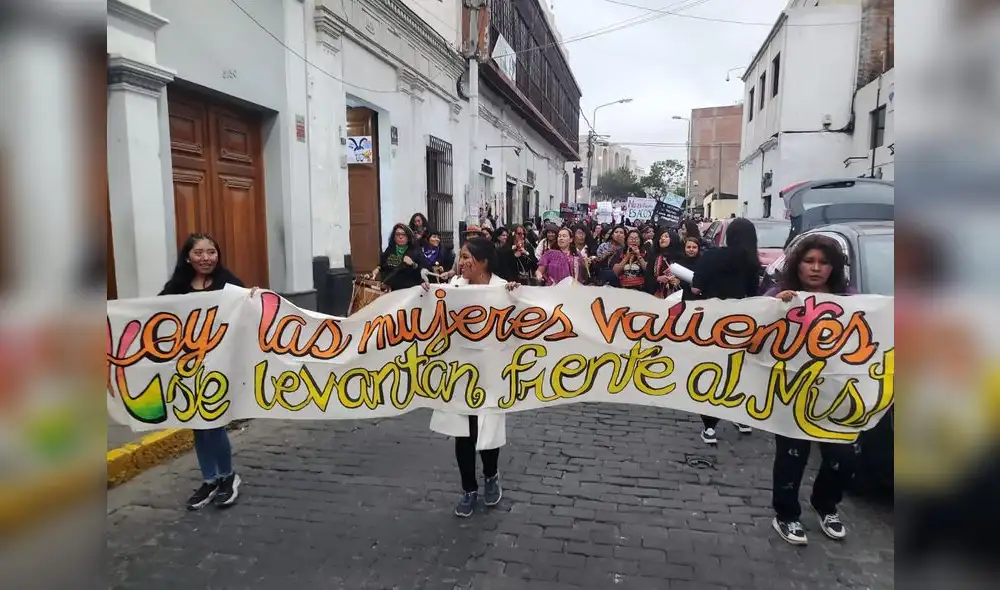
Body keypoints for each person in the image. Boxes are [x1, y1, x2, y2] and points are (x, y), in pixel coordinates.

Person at [765, 235, 855, 545]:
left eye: (824, 262)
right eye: (809, 261)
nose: (816, 268)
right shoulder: (779, 295)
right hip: (791, 392)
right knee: (792, 456)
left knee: (842, 457)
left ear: (834, 267)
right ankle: (786, 514)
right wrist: (775, 308)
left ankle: (825, 504)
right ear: (797, 264)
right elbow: (755, 334)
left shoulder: (851, 299)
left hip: (837, 393)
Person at [422, 237, 519, 517]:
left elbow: (521, 323)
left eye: (467, 257)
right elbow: (432, 313)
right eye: (461, 257)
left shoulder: (503, 289)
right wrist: (426, 294)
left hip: (491, 372)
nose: (461, 262)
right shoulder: (453, 288)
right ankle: (468, 489)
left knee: (487, 428)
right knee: (462, 432)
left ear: (484, 261)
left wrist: (516, 296)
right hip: (460, 373)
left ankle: (491, 476)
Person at [159, 233, 250, 510]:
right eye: (198, 253)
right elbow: (155, 316)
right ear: (188, 257)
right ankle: (209, 480)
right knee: (198, 424)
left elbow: (249, 312)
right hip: (188, 368)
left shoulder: (229, 284)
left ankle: (228, 477)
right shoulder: (176, 287)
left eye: (211, 252)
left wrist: (255, 298)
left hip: (220, 366)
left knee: (213, 421)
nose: (206, 258)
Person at [690, 218, 760, 443]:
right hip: (740, 321)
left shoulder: (711, 256)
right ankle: (741, 417)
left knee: (712, 370)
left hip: (712, 321)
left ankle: (710, 427)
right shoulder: (751, 263)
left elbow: (696, 288)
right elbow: (754, 293)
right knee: (737, 369)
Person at [372, 223, 423, 291]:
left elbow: (423, 271)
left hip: (409, 290)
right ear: (394, 237)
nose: (400, 237)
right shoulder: (390, 249)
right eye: (397, 234)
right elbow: (383, 264)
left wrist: (413, 264)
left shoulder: (415, 251)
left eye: (404, 234)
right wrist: (377, 269)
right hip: (390, 289)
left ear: (409, 237)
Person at [647, 229, 682, 298]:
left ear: (673, 239)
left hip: (676, 295)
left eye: (666, 236)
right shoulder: (654, 257)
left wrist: (678, 281)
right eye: (661, 237)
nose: (662, 238)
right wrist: (658, 279)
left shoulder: (680, 258)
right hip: (656, 294)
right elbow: (647, 276)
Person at [677, 236, 702, 301]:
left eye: (694, 247)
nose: (691, 249)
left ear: (698, 248)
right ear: (684, 248)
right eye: (688, 247)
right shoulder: (679, 263)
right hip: (682, 298)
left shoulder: (703, 263)